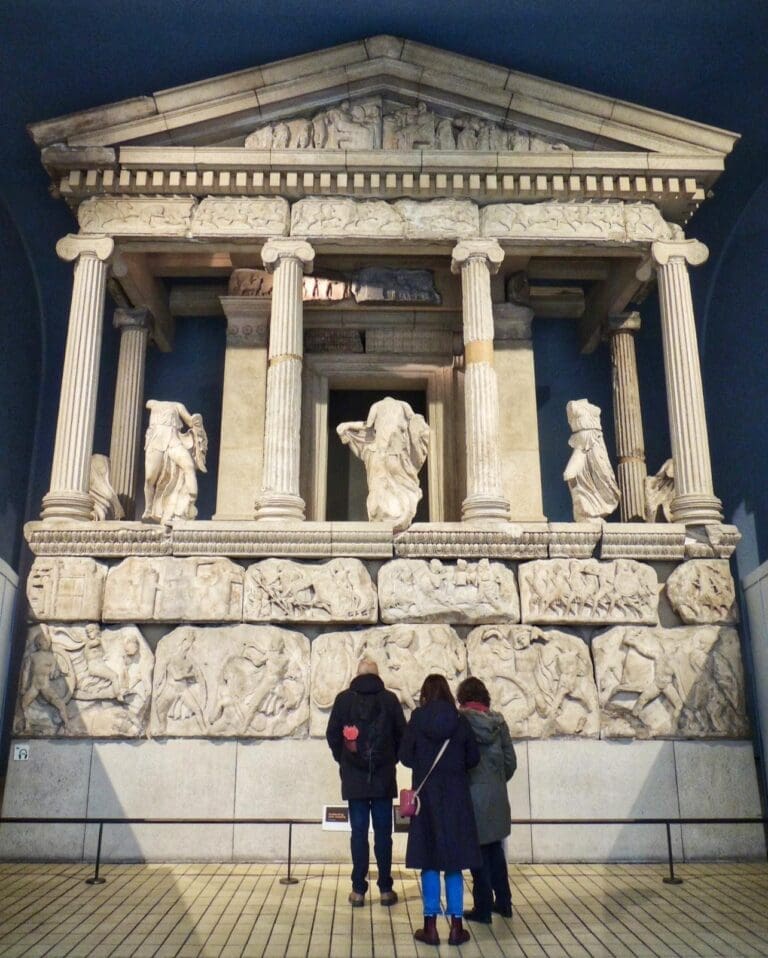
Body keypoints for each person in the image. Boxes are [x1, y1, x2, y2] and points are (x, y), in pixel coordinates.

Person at [399, 674, 481, 947]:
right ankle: (457, 927)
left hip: (427, 802)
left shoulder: (417, 719)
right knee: (454, 863)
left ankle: (430, 927)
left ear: (424, 693)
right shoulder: (460, 721)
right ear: (448, 693)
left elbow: (406, 756)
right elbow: (473, 758)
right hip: (456, 800)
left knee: (429, 860)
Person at [326, 658, 406, 907]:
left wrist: (344, 759)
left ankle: (358, 889)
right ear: (378, 674)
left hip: (354, 780)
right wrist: (391, 758)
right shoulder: (390, 700)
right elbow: (402, 734)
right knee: (383, 834)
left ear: (357, 674)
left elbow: (332, 734)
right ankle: (385, 888)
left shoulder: (343, 700)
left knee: (358, 833)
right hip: (382, 778)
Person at [456, 676, 517, 923]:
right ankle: (504, 902)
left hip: (472, 794)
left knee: (477, 853)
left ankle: (482, 907)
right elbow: (510, 763)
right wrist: (496, 782)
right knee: (495, 850)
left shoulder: (461, 722)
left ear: (462, 698)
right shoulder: (499, 723)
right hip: (497, 795)